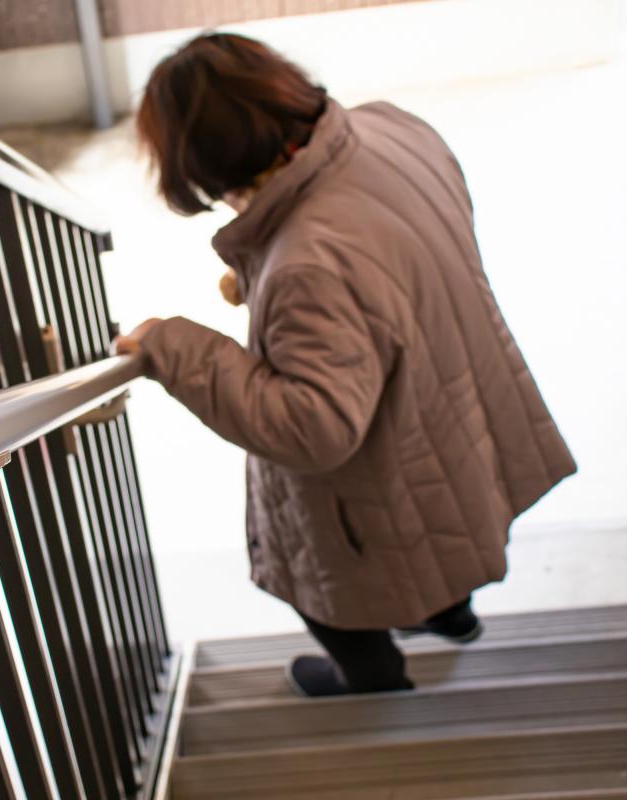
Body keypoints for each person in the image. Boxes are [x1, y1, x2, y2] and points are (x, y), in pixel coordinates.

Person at [114, 33, 577, 697]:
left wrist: (173, 344)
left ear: (211, 166)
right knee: (440, 523)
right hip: (448, 401)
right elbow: (382, 250)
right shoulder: (390, 130)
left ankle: (373, 682)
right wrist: (265, 270)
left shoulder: (309, 263)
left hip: (378, 480)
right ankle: (451, 616)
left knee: (331, 585)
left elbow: (313, 427)